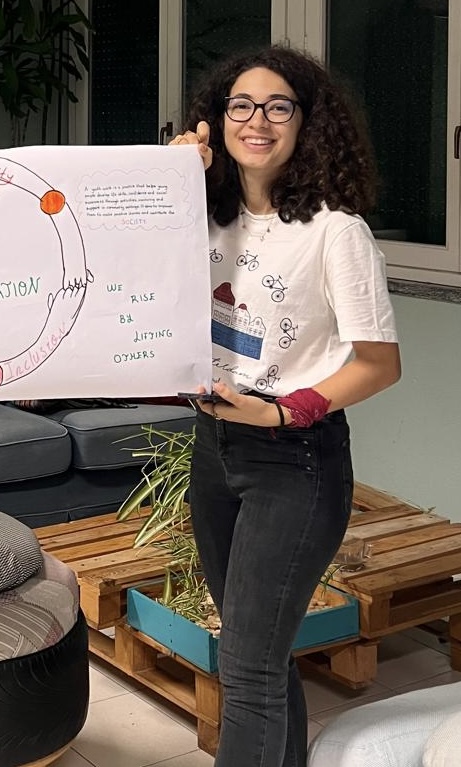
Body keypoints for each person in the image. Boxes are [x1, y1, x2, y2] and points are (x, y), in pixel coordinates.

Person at [171, 45, 401, 767]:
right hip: (214, 449)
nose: (257, 121)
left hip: (294, 458)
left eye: (278, 107)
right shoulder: (204, 217)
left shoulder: (335, 231)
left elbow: (379, 364)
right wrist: (168, 182)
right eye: (240, 105)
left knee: (247, 667)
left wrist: (283, 411)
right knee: (258, 657)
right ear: (217, 118)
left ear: (308, 123)